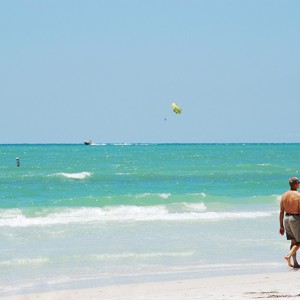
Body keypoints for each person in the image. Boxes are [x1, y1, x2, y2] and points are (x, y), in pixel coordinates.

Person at [279, 177, 300, 268]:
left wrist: (281, 226)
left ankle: (295, 263)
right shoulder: (298, 195)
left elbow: (281, 211)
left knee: (293, 242)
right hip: (295, 219)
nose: (299, 184)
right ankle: (288, 255)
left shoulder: (284, 195)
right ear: (295, 184)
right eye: (298, 182)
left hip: (286, 219)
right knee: (299, 242)